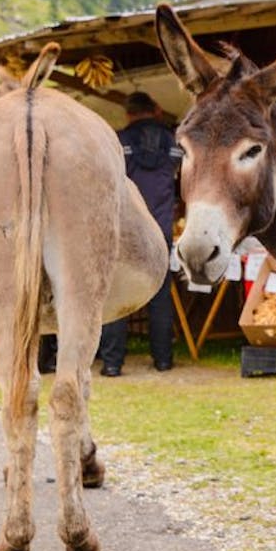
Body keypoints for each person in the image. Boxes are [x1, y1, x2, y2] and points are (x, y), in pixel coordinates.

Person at [96, 91, 182, 376]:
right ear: (155, 109)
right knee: (160, 293)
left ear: (129, 113)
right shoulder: (172, 143)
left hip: (123, 227)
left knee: (115, 292)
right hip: (160, 227)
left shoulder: (118, 142)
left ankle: (111, 363)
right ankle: (163, 359)